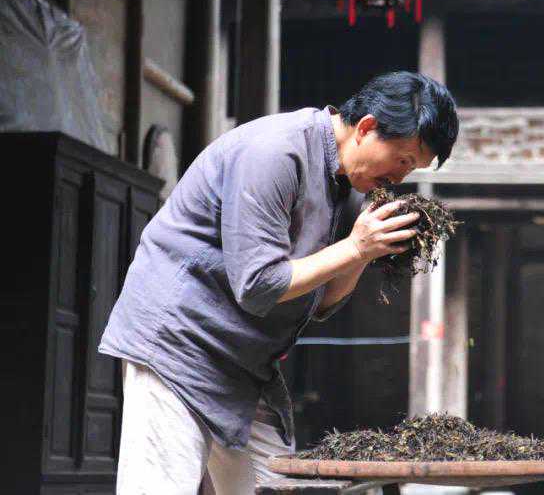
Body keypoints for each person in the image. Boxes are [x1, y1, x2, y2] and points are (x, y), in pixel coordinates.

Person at [99, 71, 459, 494]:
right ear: (366, 128)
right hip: (178, 345)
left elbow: (323, 302)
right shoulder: (276, 152)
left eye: (412, 169)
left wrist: (368, 251)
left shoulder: (354, 186)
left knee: (281, 487)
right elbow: (258, 285)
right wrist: (356, 248)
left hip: (245, 363)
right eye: (402, 160)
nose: (400, 178)